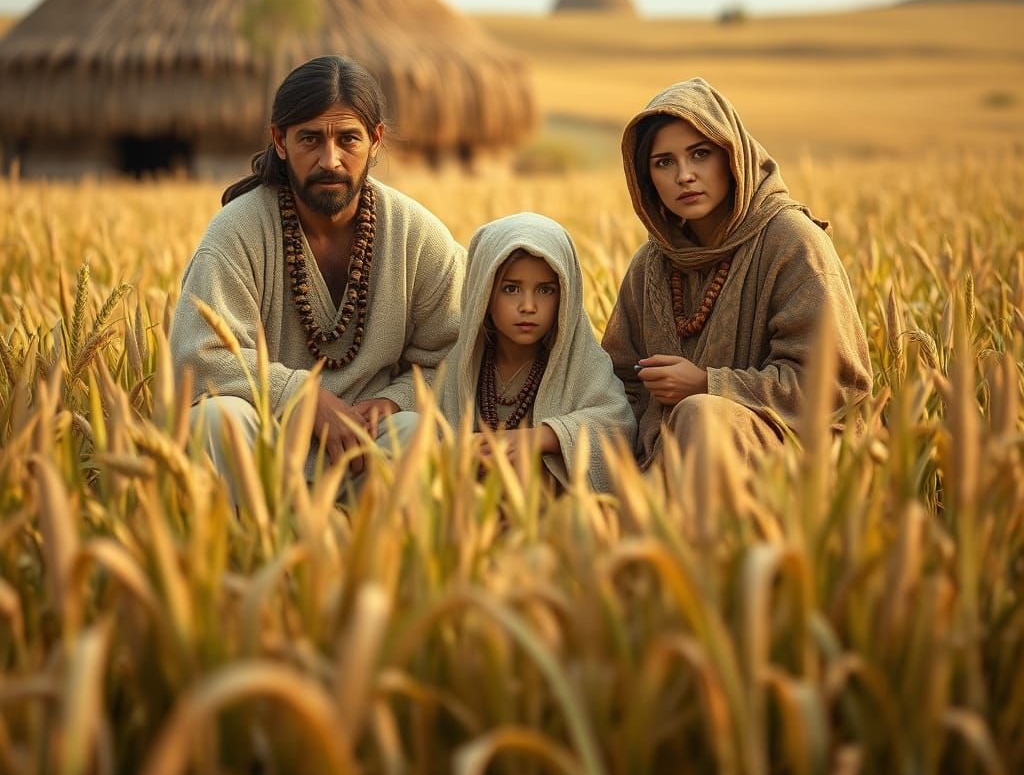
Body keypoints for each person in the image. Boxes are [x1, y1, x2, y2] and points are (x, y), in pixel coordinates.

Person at [170, 55, 465, 485]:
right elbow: (199, 358)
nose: (330, 160)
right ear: (279, 140)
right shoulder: (237, 233)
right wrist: (304, 398)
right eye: (310, 139)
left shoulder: (414, 234)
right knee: (217, 419)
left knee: (417, 432)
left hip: (369, 441)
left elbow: (459, 354)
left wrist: (397, 401)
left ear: (376, 140)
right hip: (267, 438)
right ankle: (246, 543)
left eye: (349, 139)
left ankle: (379, 549)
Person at [601, 78, 871, 471]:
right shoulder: (651, 264)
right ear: (646, 179)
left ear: (732, 156)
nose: (684, 175)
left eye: (700, 154)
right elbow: (619, 381)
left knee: (699, 417)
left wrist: (706, 384)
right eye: (664, 162)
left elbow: (831, 386)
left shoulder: (791, 242)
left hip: (792, 455)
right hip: (665, 456)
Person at [438, 213, 635, 492]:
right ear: (482, 292)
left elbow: (618, 424)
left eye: (545, 290)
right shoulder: (460, 365)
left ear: (566, 295)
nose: (528, 306)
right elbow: (430, 434)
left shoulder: (581, 362)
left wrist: (547, 436)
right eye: (511, 289)